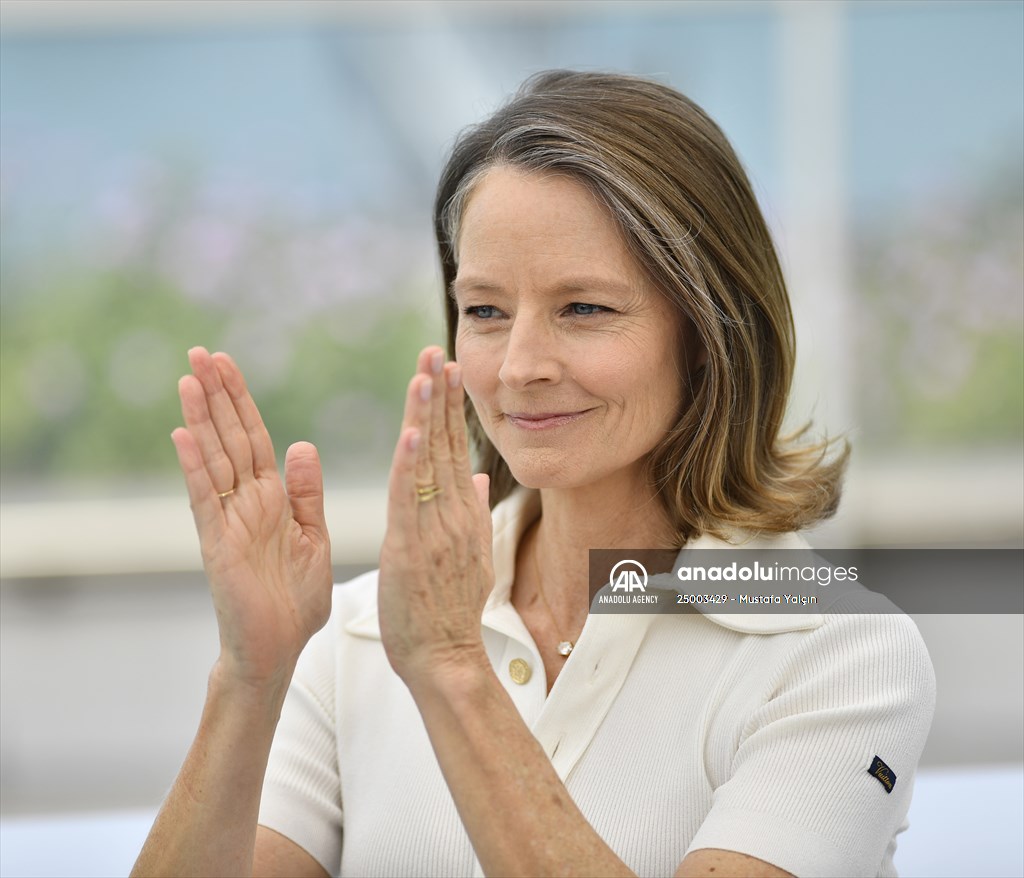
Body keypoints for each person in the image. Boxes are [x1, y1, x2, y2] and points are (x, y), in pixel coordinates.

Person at [132, 70, 935, 878]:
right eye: (484, 310)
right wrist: (252, 676)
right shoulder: (354, 639)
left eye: (584, 308)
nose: (518, 367)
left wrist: (453, 671)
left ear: (707, 333)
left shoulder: (838, 653)